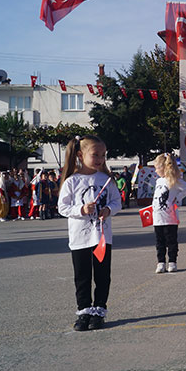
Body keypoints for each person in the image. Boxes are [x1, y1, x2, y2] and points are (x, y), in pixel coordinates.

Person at [58, 135, 122, 331]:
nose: (100, 159)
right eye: (95, 155)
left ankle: (99, 311)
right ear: (80, 154)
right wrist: (81, 210)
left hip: (101, 237)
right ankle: (84, 311)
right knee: (82, 276)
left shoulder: (106, 180)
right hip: (80, 238)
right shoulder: (72, 181)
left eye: (103, 155)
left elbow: (116, 202)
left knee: (102, 276)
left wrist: (109, 210)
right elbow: (62, 207)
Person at [152, 153, 186, 273]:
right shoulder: (159, 181)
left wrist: (179, 197)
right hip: (157, 217)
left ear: (163, 167)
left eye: (157, 168)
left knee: (171, 241)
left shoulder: (174, 181)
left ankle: (172, 262)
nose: (155, 171)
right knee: (159, 241)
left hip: (170, 217)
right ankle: (161, 263)